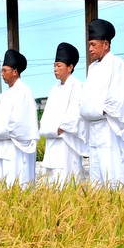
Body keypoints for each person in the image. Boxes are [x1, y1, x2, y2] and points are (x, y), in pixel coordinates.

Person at [79, 18, 124, 187]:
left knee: (112, 175)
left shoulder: (116, 64)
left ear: (106, 44)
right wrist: (90, 109)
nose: (90, 49)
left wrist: (93, 110)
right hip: (94, 131)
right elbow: (85, 101)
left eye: (93, 45)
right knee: (96, 178)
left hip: (110, 130)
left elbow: (116, 101)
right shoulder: (92, 68)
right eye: (89, 45)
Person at [0, 49, 39, 187]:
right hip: (1, 149)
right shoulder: (2, 96)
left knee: (16, 185)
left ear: (15, 72)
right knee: (2, 187)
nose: (2, 74)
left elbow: (17, 124)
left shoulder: (24, 92)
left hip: (16, 150)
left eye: (5, 70)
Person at [39, 43, 87, 185]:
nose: (55, 69)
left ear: (70, 67)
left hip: (67, 142)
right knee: (51, 181)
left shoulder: (77, 86)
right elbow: (47, 115)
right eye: (54, 66)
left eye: (59, 65)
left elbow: (75, 114)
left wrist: (59, 129)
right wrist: (48, 129)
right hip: (52, 140)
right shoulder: (54, 89)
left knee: (67, 178)